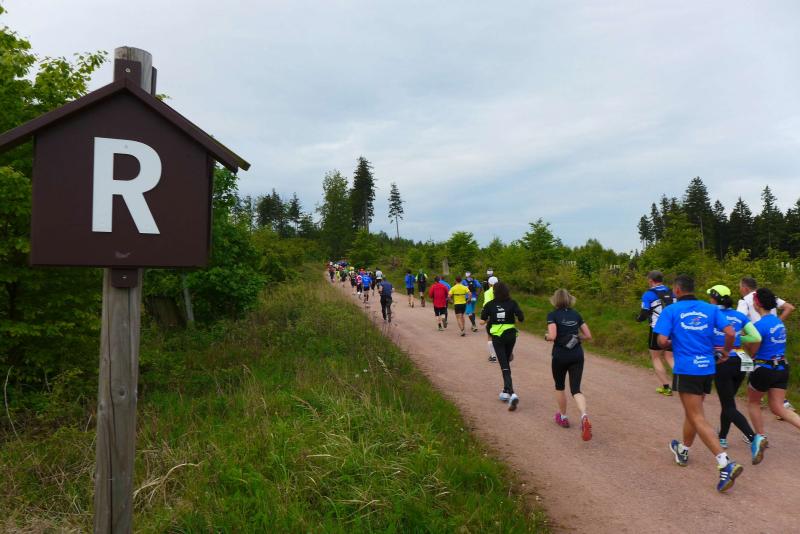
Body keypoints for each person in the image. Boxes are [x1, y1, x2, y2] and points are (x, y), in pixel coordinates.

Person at [654, 275, 743, 492]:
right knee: (692, 411)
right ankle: (683, 449)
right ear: (693, 289)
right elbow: (730, 332)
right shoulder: (710, 309)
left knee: (696, 415)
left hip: (687, 368)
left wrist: (675, 340)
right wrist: (726, 351)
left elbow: (662, 341)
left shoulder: (671, 310)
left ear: (676, 290)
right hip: (707, 367)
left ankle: (725, 463)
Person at [706, 285, 762, 456]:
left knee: (729, 405)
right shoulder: (739, 315)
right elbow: (756, 337)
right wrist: (739, 337)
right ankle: (722, 437)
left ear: (713, 298)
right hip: (740, 360)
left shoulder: (711, 314)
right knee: (728, 402)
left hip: (722, 359)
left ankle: (754, 438)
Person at [746, 288, 800, 455]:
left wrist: (745, 341)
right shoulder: (778, 322)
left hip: (764, 368)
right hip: (782, 367)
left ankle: (760, 437)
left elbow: (753, 352)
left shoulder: (758, 326)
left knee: (753, 402)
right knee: (778, 407)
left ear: (757, 304)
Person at [737, 277, 797, 415]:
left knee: (756, 366)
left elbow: (739, 320)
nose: (740, 290)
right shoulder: (769, 295)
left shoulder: (744, 301)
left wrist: (742, 335)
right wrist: (776, 323)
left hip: (756, 337)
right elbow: (789, 307)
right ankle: (782, 403)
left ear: (745, 288)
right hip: (773, 337)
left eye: (740, 287)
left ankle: (758, 398)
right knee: (774, 367)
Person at [545, 289, 593, 441]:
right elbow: (588, 335)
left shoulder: (552, 315)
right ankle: (584, 416)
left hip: (560, 355)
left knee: (560, 386)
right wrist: (576, 337)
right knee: (576, 389)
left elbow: (552, 336)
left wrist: (546, 336)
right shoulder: (576, 314)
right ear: (569, 299)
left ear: (555, 300)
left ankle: (563, 417)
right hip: (577, 354)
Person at [480, 282, 524, 411]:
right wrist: (512, 319)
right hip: (511, 335)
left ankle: (512, 394)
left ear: (494, 292)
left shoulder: (489, 304)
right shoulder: (513, 303)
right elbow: (521, 318)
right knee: (506, 361)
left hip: (498, 337)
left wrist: (490, 319)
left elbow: (482, 321)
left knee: (504, 365)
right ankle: (505, 391)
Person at [636, 270, 676, 396]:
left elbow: (644, 313)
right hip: (673, 329)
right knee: (670, 357)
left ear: (650, 280)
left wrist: (638, 319)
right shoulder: (672, 291)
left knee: (656, 357)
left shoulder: (648, 294)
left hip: (657, 329)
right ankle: (685, 384)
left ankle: (666, 387)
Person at [484, 276, 499, 362]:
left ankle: (493, 356)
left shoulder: (488, 292)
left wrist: (486, 316)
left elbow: (487, 304)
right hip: (502, 314)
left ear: (489, 284)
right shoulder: (502, 291)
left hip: (492, 315)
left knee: (490, 335)